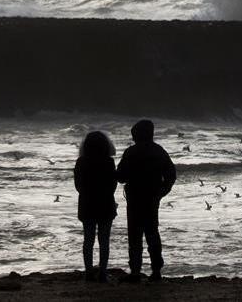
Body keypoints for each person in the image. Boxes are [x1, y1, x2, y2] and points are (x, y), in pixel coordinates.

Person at [115, 119, 176, 281]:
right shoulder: (159, 151)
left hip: (135, 198)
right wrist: (163, 191)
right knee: (152, 234)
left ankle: (135, 271)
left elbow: (120, 176)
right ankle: (156, 271)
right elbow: (171, 174)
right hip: (152, 198)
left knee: (135, 236)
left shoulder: (131, 152)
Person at [73, 130, 118, 282]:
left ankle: (88, 273)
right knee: (104, 240)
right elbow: (113, 186)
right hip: (105, 204)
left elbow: (78, 186)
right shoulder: (109, 162)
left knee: (88, 240)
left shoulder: (81, 162)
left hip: (87, 205)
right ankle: (103, 273)